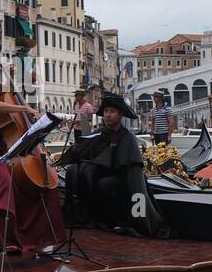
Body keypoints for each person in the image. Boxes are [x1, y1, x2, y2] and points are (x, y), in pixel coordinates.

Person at [0, 31, 66, 255]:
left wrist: (10, 82)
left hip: (1, 141)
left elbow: (4, 101)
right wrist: (24, 108)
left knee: (29, 182)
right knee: (2, 180)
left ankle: (35, 236)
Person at [60, 92, 162, 236]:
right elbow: (84, 154)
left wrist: (139, 213)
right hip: (97, 175)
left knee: (106, 184)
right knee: (74, 171)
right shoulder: (99, 133)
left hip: (121, 180)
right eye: (106, 111)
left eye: (112, 111)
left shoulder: (128, 138)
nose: (108, 115)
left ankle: (113, 221)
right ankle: (81, 217)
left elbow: (133, 173)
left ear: (120, 115)